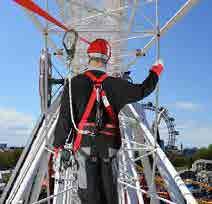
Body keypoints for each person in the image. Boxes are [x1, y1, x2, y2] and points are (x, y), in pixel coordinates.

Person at [53, 39, 163, 204]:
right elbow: (142, 90)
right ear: (107, 58)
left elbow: (65, 118)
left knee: (88, 192)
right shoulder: (117, 84)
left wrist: (58, 145)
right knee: (109, 193)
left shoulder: (74, 83)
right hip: (109, 146)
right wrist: (155, 72)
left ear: (89, 56)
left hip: (84, 145)